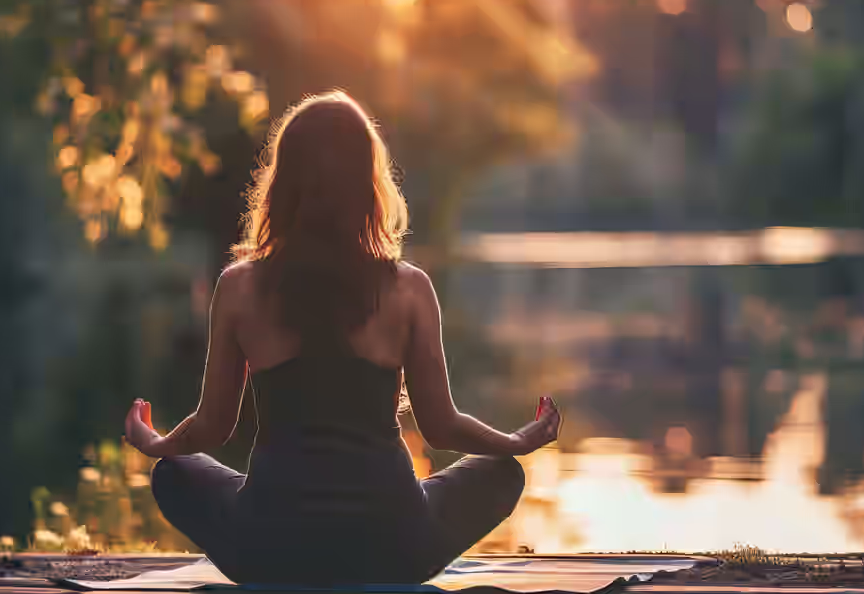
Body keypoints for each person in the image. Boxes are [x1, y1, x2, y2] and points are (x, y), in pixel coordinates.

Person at [122, 90, 562, 585]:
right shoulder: (409, 287)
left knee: (175, 474)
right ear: (368, 183)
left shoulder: (239, 287)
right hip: (395, 547)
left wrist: (157, 445)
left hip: (269, 548)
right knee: (502, 472)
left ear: (283, 183)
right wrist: (513, 441)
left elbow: (212, 427)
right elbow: (440, 428)